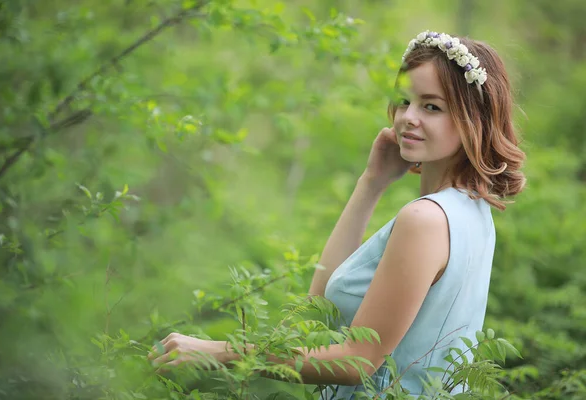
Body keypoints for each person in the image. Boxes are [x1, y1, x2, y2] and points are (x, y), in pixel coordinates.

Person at [149, 30, 526, 398]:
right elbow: (320, 312)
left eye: (431, 106)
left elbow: (356, 362)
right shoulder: (472, 211)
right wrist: (371, 184)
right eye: (404, 101)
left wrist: (218, 351)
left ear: (471, 120)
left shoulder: (425, 220)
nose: (408, 117)